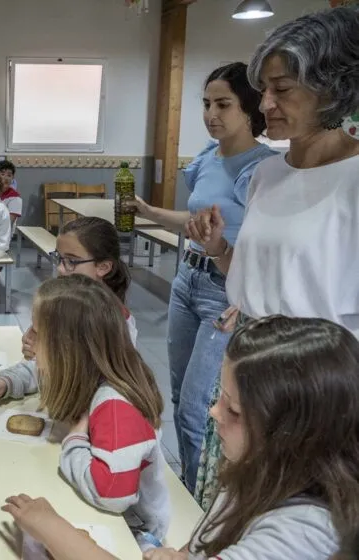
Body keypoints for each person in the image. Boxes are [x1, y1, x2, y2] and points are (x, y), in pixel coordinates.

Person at [2, 316, 359, 560]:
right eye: (220, 397)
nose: (214, 412)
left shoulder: (303, 534)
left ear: (294, 434)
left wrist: (53, 528)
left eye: (233, 409)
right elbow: (208, 540)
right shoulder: (258, 471)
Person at [186, 6, 359, 508]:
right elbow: (247, 282)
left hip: (309, 390)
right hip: (246, 368)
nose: (265, 104)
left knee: (282, 513)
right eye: (263, 89)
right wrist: (220, 251)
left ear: (335, 88)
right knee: (232, 507)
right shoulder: (269, 173)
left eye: (282, 89)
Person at [125, 62, 276, 493]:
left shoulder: (264, 169)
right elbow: (196, 224)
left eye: (223, 104)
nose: (211, 114)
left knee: (197, 408)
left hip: (224, 291)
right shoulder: (209, 157)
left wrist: (246, 297)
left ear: (250, 108)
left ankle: (197, 500)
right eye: (206, 104)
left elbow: (265, 244)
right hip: (187, 279)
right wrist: (150, 212)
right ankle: (190, 483)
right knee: (178, 397)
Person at [0, 275, 168, 549]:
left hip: (133, 532)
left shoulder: (116, 405)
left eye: (36, 332)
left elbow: (112, 495)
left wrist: (74, 440)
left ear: (69, 349)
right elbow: (36, 371)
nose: (27, 338)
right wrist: (3, 383)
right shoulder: (84, 366)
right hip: (94, 499)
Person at [0, 216, 137, 398]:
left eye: (72, 261)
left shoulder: (117, 325)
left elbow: (95, 386)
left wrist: (49, 354)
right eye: (59, 258)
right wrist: (7, 382)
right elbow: (39, 370)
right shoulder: (64, 306)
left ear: (103, 267)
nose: (60, 268)